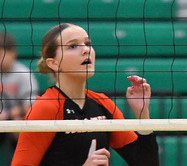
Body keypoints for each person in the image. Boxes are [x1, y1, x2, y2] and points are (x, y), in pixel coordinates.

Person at [11, 23, 159, 166]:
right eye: (73, 46)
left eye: (87, 43)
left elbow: (145, 163)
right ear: (53, 63)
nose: (86, 50)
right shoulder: (46, 108)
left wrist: (142, 114)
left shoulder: (102, 103)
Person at [0, 32, 39, 162]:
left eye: (1, 54)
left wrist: (8, 114)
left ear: (12, 53)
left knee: (21, 125)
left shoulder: (23, 74)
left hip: (15, 118)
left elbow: (31, 105)